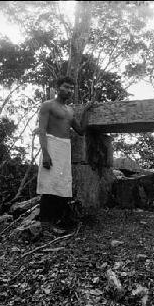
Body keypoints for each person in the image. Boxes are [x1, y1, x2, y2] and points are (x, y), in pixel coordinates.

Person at [36, 76, 94, 230]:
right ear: (57, 87)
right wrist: (46, 154)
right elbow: (41, 130)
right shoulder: (47, 105)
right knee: (49, 183)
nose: (68, 91)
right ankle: (45, 222)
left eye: (71, 88)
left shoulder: (70, 110)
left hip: (65, 147)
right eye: (66, 87)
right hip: (51, 144)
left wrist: (87, 111)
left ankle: (59, 220)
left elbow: (80, 131)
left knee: (62, 183)